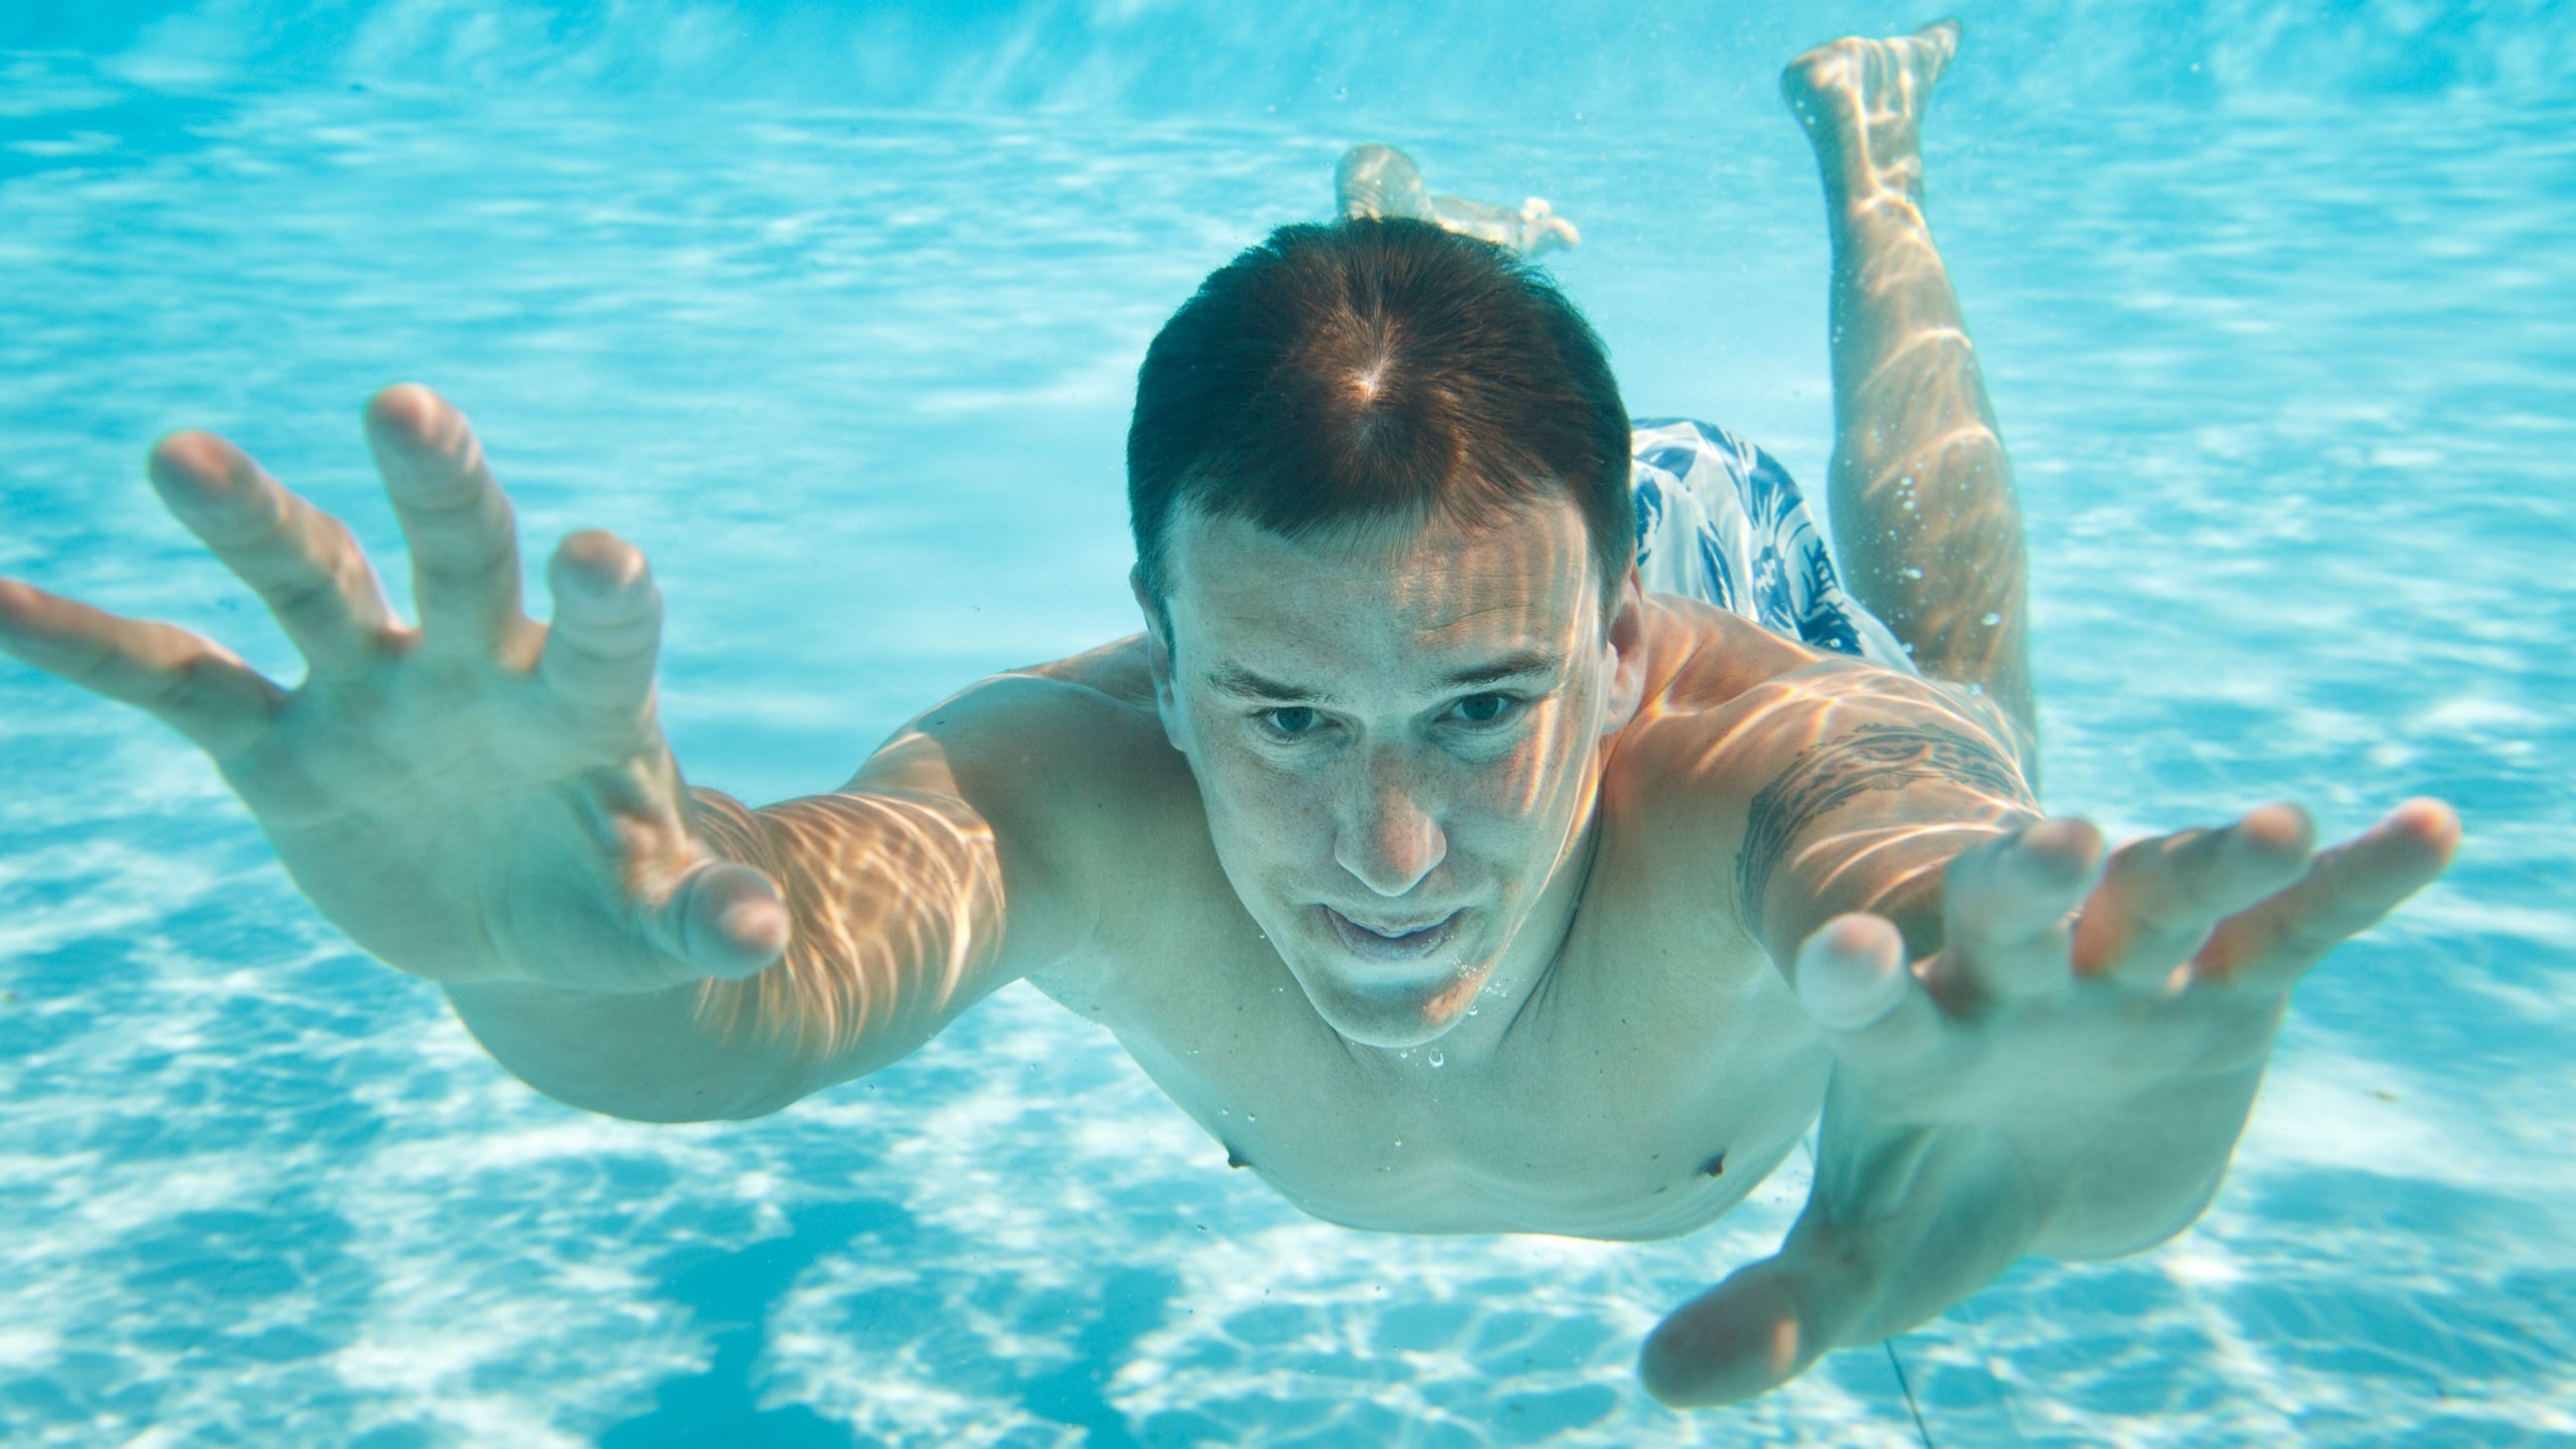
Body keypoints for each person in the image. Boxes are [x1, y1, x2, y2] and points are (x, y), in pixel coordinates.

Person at [0, 20, 2456, 1408]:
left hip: (1670, 538)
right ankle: (1421, 290)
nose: (1387, 857)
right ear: (1156, 665)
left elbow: (1920, 835)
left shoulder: (1754, 778)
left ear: (1615, 662)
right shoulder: (1083, 786)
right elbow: (741, 983)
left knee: (1975, 678)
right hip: (1478, 538)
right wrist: (524, 944)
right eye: (1277, 721)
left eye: (1482, 716)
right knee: (1401, 504)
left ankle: (1868, 155)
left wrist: (2082, 1064)